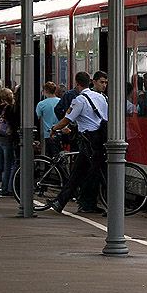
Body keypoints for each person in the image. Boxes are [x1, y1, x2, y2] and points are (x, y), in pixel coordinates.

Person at [47, 71, 107, 214]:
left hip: (88, 140)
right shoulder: (101, 98)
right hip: (100, 138)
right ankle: (81, 203)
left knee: (85, 173)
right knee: (83, 172)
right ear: (90, 82)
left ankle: (64, 202)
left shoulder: (79, 100)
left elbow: (67, 119)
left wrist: (54, 128)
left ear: (77, 84)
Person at [0, 88, 16, 197]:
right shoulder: (10, 108)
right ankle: (5, 188)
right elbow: (11, 122)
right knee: (8, 165)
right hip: (7, 138)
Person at [35, 82, 60, 158]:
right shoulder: (60, 101)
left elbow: (38, 117)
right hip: (60, 131)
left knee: (49, 156)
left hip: (48, 133)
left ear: (45, 91)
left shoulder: (41, 104)